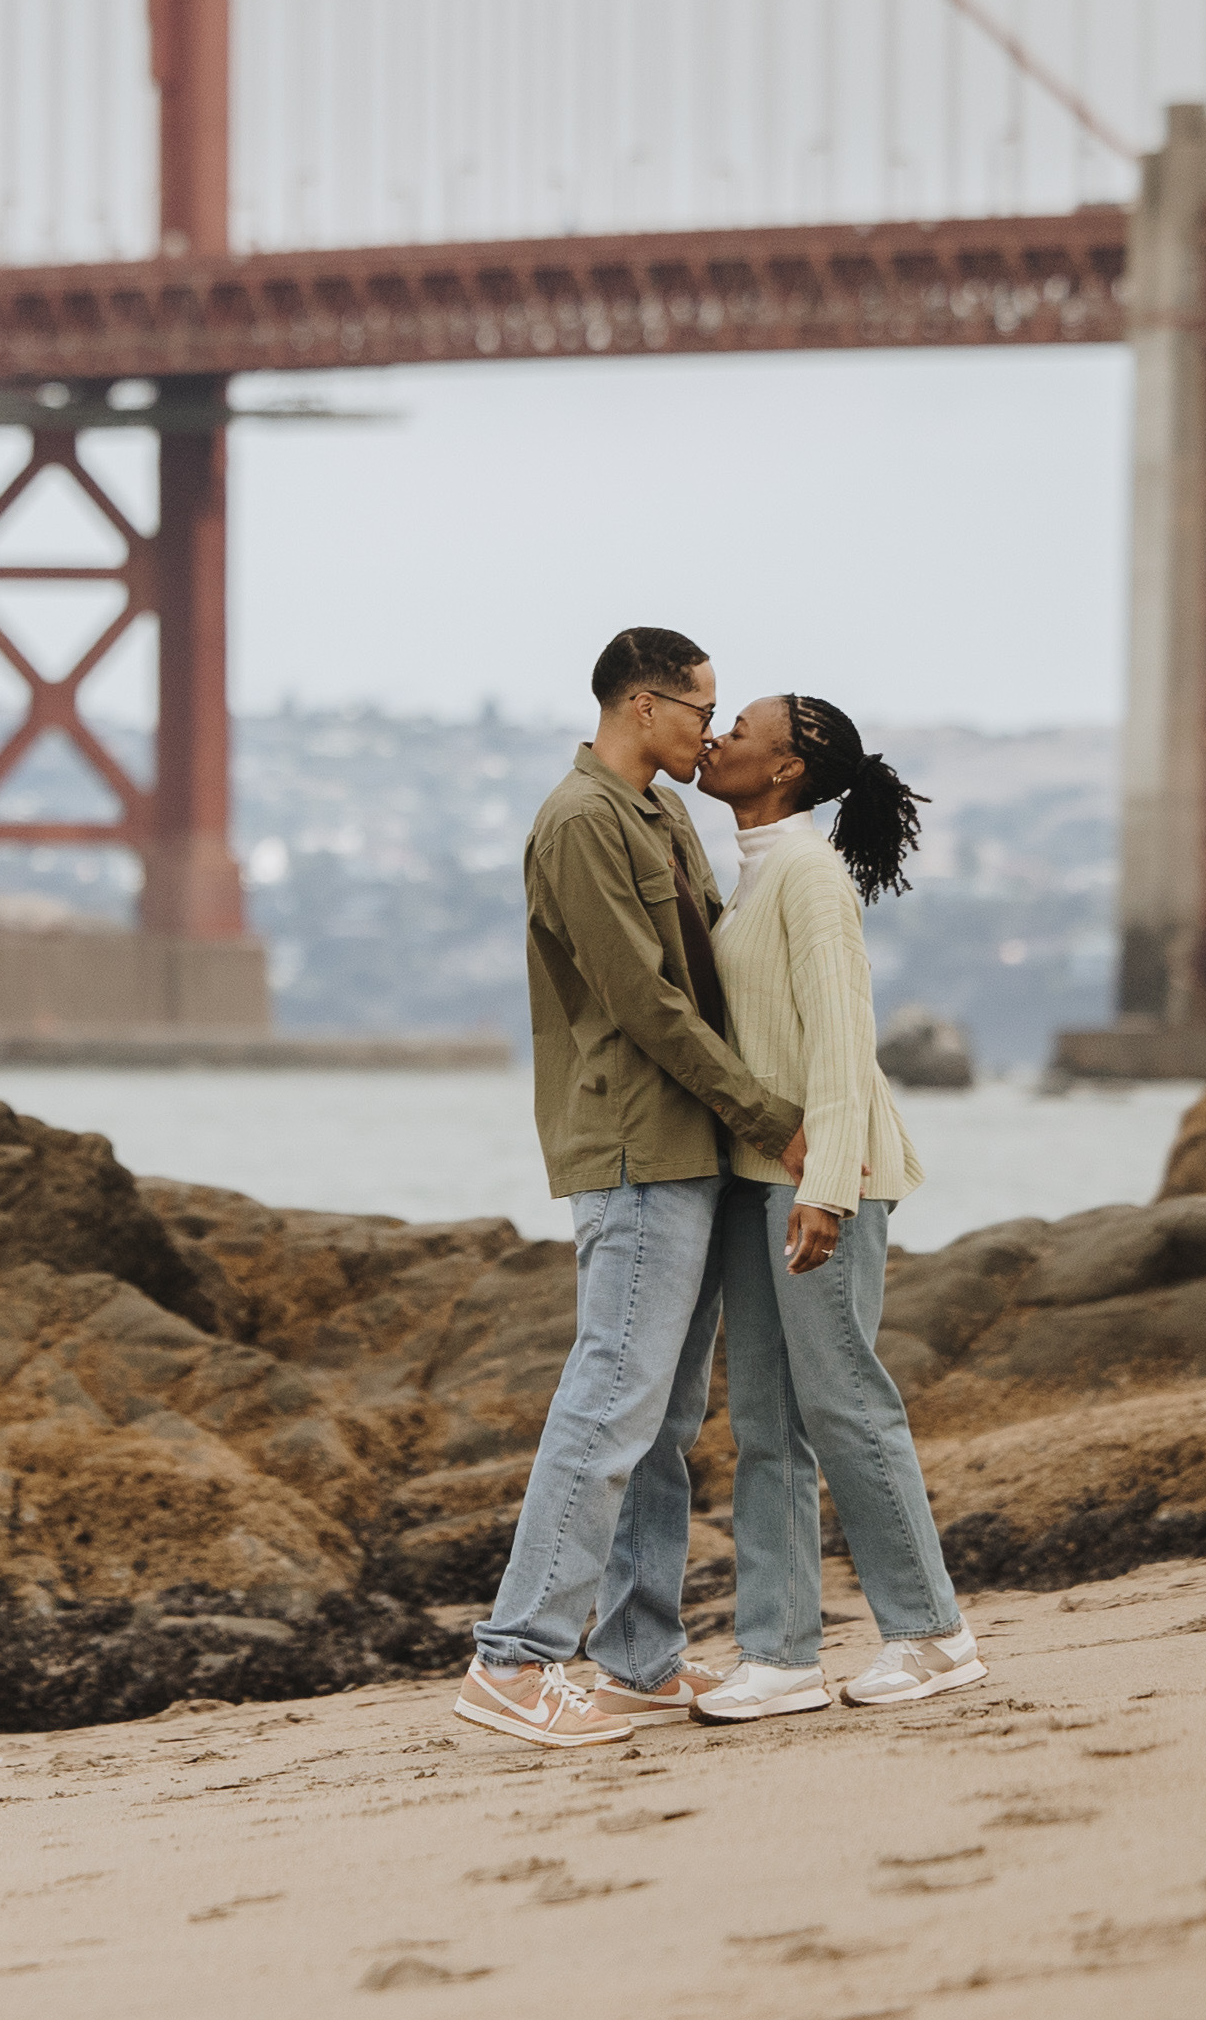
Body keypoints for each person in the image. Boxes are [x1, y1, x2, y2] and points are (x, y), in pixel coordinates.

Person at [453, 628, 812, 1752]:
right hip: (631, 1145)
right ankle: (512, 1660)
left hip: (690, 1146)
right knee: (609, 1399)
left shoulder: (658, 811)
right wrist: (769, 1115)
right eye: (699, 710)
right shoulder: (576, 821)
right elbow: (646, 1004)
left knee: (660, 1418)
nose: (710, 731)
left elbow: (713, 966)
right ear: (644, 704)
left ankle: (637, 1661)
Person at [689, 690, 983, 1715]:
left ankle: (934, 1632)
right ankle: (778, 1653)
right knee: (767, 1419)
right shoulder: (755, 869)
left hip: (821, 1183)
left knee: (845, 1398)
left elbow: (841, 1041)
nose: (715, 735)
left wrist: (827, 1190)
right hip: (756, 1178)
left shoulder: (809, 876)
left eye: (739, 729)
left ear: (782, 768)